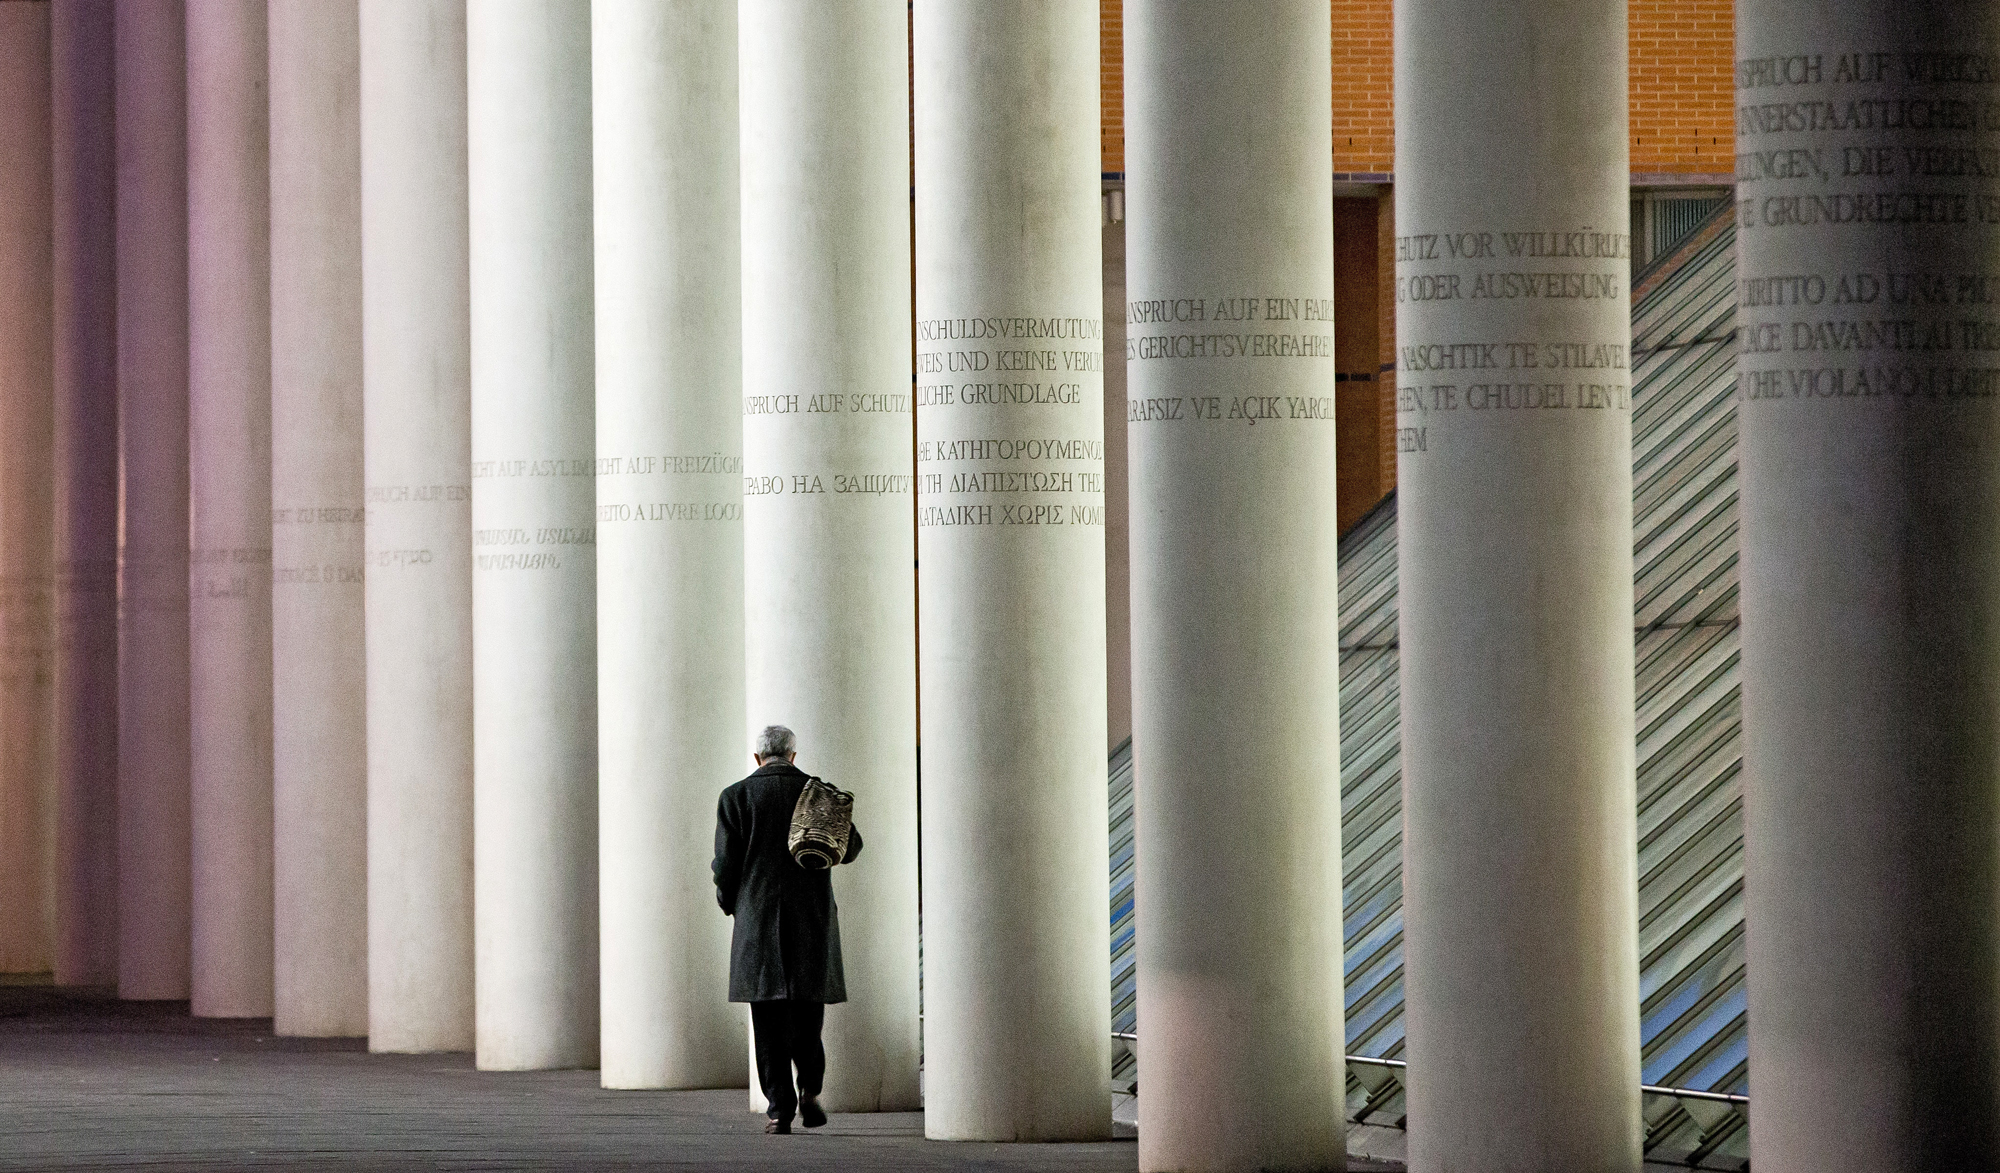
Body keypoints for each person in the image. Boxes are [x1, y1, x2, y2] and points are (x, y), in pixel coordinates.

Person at [712, 724, 862, 1134]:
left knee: (767, 1020)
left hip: (758, 920)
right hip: (811, 918)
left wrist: (731, 903)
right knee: (808, 1013)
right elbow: (850, 848)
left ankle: (780, 1109)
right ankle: (811, 1089)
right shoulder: (819, 793)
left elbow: (725, 865)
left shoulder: (736, 796)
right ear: (793, 756)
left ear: (757, 757)